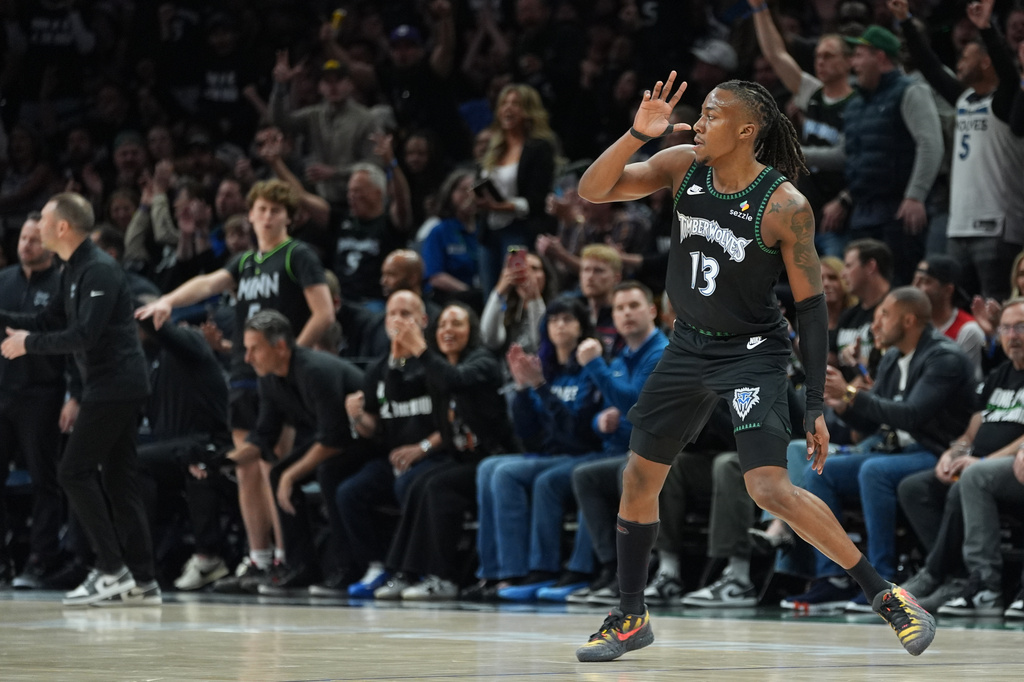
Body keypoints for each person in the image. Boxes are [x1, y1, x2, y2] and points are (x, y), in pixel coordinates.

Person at [572, 73, 936, 662]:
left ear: (746, 130)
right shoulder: (681, 165)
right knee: (638, 476)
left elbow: (812, 308)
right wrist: (636, 135)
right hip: (688, 346)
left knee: (767, 488)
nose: (698, 123)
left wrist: (814, 405)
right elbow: (593, 190)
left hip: (752, 353)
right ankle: (630, 615)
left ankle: (887, 595)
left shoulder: (785, 205)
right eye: (701, 113)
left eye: (712, 115)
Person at [135, 180, 334, 593]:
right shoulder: (245, 262)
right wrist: (167, 300)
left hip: (278, 376)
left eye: (275, 210)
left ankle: (287, 559)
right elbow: (207, 283)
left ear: (289, 217)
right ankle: (258, 558)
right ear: (251, 214)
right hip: (244, 374)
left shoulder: (297, 255)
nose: (267, 217)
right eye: (261, 209)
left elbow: (324, 314)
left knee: (272, 465)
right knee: (246, 469)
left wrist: (292, 361)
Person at [0, 192, 157, 606]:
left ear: (62, 227)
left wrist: (28, 345)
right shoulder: (71, 268)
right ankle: (142, 579)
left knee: (73, 471)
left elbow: (84, 335)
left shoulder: (99, 270)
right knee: (120, 482)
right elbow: (47, 320)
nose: (37, 227)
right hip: (110, 386)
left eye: (43, 220)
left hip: (115, 385)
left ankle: (112, 570)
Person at [790, 287, 975, 612]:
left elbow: (912, 415)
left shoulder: (944, 358)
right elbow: (876, 421)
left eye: (885, 316)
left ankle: (880, 580)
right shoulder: (891, 358)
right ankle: (832, 577)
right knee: (820, 470)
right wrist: (844, 405)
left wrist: (851, 394)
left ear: (908, 320)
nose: (876, 325)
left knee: (873, 471)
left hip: (936, 451)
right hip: (894, 450)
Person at [220, 311, 368, 595]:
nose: (248, 358)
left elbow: (334, 439)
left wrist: (291, 476)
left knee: (325, 472)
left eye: (254, 349)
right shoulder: (270, 378)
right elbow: (264, 436)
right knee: (278, 473)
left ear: (280, 346)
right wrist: (221, 461)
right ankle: (301, 567)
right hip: (336, 441)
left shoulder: (314, 371)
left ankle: (347, 569)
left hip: (368, 440)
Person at [890, 0, 1024, 301]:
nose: (959, 62)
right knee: (958, 304)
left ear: (986, 62)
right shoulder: (964, 100)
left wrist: (987, 29)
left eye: (966, 57)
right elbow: (930, 67)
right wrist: (905, 21)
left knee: (995, 304)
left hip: (997, 227)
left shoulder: (1005, 103)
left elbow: (1008, 74)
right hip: (959, 224)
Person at [0, 214, 78, 589]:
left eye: (33, 239)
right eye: (22, 239)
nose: (26, 245)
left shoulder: (63, 283)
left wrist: (74, 395)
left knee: (44, 480)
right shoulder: (3, 280)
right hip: (2, 391)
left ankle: (41, 560)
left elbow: (74, 342)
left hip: (43, 393)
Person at [837, 25, 944, 285]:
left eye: (859, 55)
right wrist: (794, 153)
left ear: (880, 57)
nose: (853, 64)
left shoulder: (911, 91)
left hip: (899, 213)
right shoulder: (856, 103)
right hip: (863, 212)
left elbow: (931, 144)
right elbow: (844, 154)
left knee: (898, 286)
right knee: (864, 289)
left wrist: (915, 195)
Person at [747, 0, 854, 256]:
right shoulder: (813, 93)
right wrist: (759, 9)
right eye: (818, 56)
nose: (820, 62)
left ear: (849, 61)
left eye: (828, 56)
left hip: (839, 212)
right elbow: (776, 54)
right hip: (805, 209)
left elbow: (853, 159)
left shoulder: (858, 102)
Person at [911, 255, 985, 379]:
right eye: (915, 280)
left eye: (925, 281)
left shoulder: (967, 330)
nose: (915, 287)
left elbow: (969, 380)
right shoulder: (913, 324)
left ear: (948, 290)